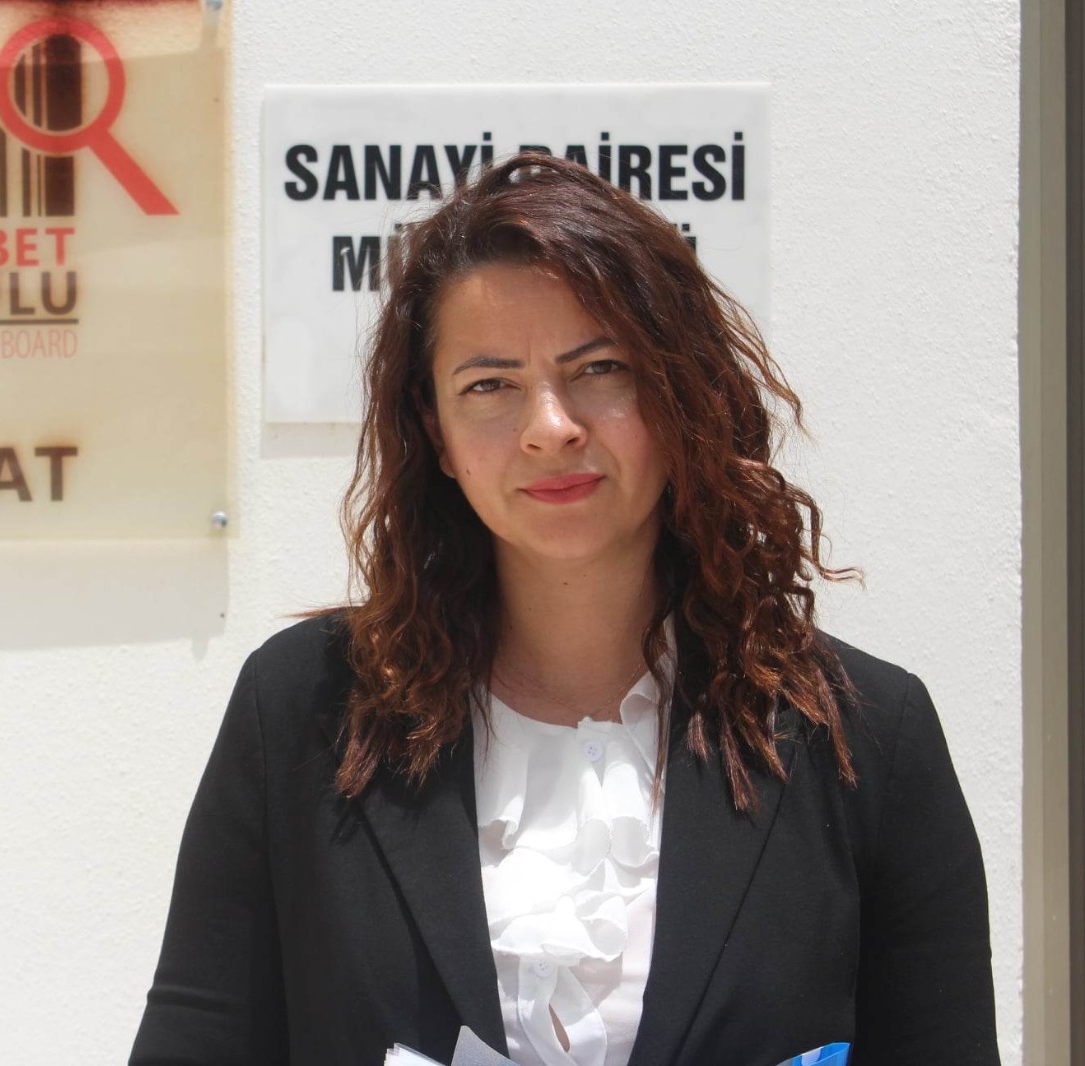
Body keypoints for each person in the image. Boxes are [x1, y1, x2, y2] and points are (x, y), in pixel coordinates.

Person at [128, 153, 998, 1066]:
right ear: (435, 429)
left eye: (601, 369)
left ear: (680, 392)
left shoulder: (866, 734)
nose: (551, 426)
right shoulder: (301, 709)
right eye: (490, 385)